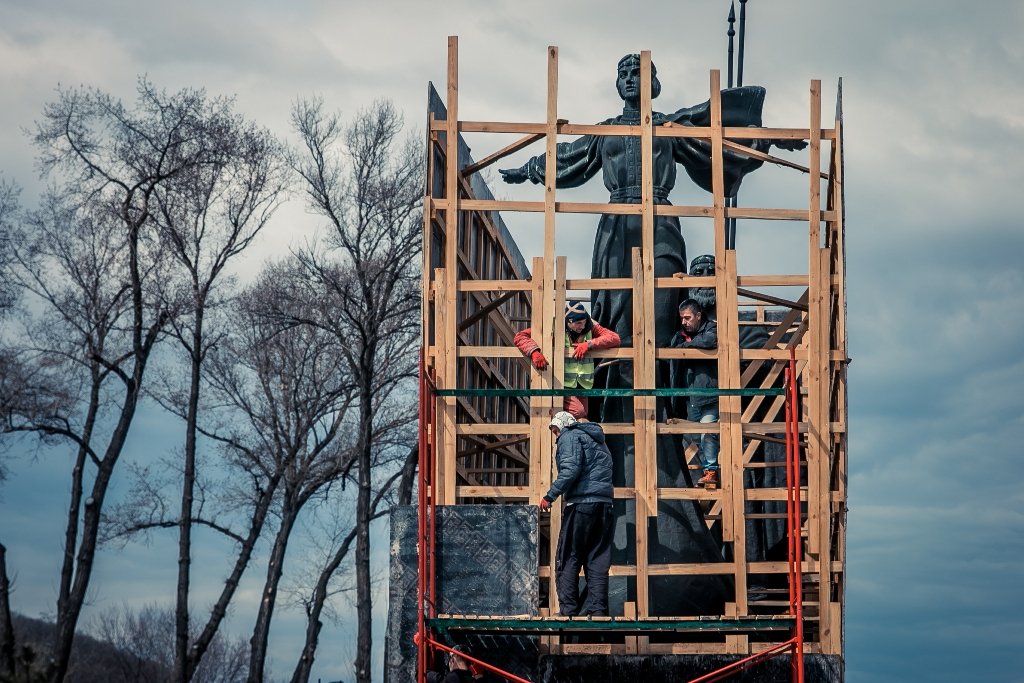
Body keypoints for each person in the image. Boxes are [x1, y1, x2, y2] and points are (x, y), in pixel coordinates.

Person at [501, 54, 805, 349]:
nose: (631, 79)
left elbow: (716, 141)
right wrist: (529, 169)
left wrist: (769, 139)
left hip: (661, 223)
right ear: (618, 85)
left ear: (652, 83)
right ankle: (618, 398)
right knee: (617, 316)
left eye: (638, 74)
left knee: (662, 310)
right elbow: (568, 156)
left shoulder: (670, 128)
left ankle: (662, 395)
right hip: (616, 226)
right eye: (625, 75)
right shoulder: (604, 132)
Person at [540, 411, 614, 616]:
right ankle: (598, 613)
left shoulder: (570, 435)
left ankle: (568, 612)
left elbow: (570, 470)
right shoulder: (597, 440)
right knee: (597, 559)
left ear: (563, 425)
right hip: (604, 506)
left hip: (582, 504)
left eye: (555, 430)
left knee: (568, 556)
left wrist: (550, 496)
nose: (556, 435)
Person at [514, 300, 620, 419]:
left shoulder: (590, 325)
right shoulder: (554, 326)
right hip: (562, 383)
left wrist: (589, 344)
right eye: (579, 323)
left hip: (583, 384)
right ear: (569, 321)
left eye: (584, 322)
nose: (583, 326)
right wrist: (534, 352)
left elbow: (614, 338)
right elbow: (520, 336)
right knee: (578, 413)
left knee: (582, 418)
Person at [670, 299, 720, 486]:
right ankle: (708, 469)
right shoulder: (682, 336)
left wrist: (685, 347)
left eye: (688, 318)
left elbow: (709, 340)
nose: (684, 321)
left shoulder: (711, 329)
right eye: (682, 318)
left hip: (708, 395)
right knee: (696, 436)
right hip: (690, 397)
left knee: (708, 433)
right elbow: (672, 348)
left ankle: (711, 471)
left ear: (698, 316)